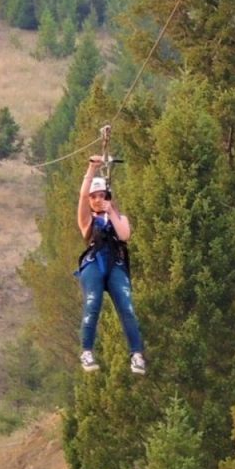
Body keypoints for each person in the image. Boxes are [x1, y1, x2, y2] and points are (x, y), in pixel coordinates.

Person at [75, 157, 146, 374]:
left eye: (101, 196)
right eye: (93, 197)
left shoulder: (118, 218)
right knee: (92, 302)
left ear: (108, 197)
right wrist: (92, 168)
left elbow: (124, 234)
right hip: (94, 263)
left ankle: (137, 354)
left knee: (126, 307)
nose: (97, 200)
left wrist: (111, 211)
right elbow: (82, 195)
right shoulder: (87, 220)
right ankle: (87, 351)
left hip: (115, 263)